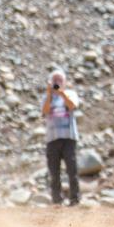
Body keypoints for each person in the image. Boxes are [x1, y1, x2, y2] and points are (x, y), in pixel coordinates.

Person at [41, 69, 81, 206]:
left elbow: (72, 106)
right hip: (52, 139)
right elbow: (45, 111)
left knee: (72, 169)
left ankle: (74, 199)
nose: (57, 82)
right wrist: (49, 94)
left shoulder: (70, 94)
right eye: (55, 80)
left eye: (60, 80)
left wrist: (62, 93)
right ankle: (56, 200)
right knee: (54, 171)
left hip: (69, 137)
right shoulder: (47, 97)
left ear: (65, 82)